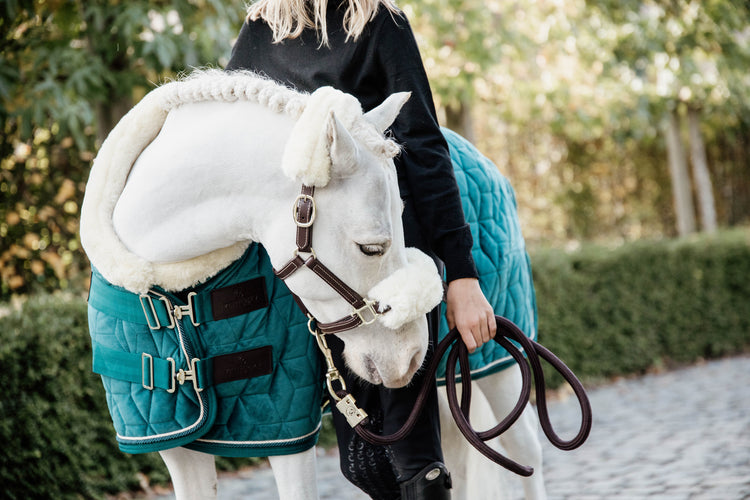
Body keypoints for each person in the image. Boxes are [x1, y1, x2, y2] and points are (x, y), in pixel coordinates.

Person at [226, 1, 496, 498]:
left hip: (385, 251)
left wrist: (461, 274)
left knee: (410, 458)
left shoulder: (379, 22)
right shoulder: (260, 29)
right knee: (363, 464)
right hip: (307, 257)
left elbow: (423, 143)